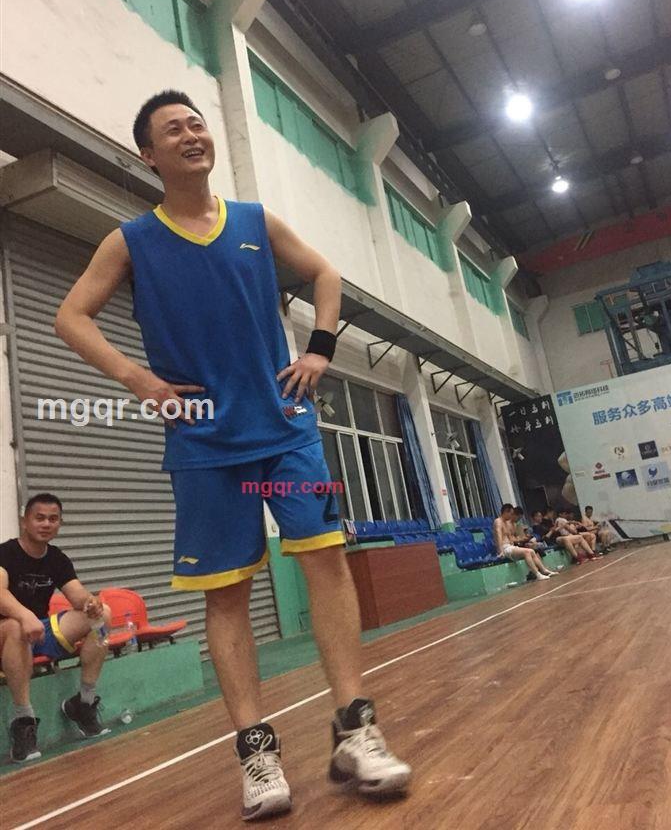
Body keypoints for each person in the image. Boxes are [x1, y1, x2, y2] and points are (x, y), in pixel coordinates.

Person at [54, 91, 410, 820]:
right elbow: (70, 316)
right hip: (204, 442)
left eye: (197, 123)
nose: (192, 134)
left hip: (285, 426)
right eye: (173, 130)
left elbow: (326, 274)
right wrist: (137, 380)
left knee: (326, 559)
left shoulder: (254, 222)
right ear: (149, 155)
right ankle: (257, 754)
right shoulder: (130, 241)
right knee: (227, 594)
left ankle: (355, 729)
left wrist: (320, 349)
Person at [0, 493, 112, 763]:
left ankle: (83, 702)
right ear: (24, 521)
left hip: (38, 630)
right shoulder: (5, 553)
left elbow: (77, 596)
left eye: (53, 519)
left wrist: (91, 604)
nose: (46, 524)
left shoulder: (57, 559)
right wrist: (24, 615)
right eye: (39, 518)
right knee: (16, 626)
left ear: (59, 524)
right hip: (7, 630)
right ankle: (23, 720)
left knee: (103, 616)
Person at [493, 504, 556, 581]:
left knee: (532, 551)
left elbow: (510, 538)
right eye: (511, 514)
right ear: (506, 512)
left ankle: (544, 570)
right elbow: (498, 536)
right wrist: (501, 551)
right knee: (527, 552)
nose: (511, 516)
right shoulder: (498, 521)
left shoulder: (506, 523)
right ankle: (537, 574)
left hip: (510, 547)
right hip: (504, 548)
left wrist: (518, 542)